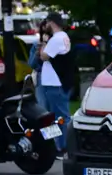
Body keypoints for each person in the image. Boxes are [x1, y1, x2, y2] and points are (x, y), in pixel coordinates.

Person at [38, 12, 73, 155]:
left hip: (54, 84)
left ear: (52, 23)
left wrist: (44, 42)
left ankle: (61, 146)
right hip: (54, 83)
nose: (45, 26)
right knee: (53, 117)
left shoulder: (56, 39)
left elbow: (44, 56)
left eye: (47, 23)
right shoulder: (63, 37)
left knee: (58, 117)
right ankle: (54, 145)